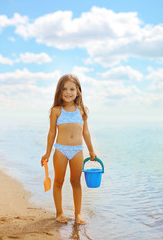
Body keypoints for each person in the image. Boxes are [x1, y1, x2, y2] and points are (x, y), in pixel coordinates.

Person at [41, 74, 97, 225]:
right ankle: (59, 213)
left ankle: (78, 214)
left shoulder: (82, 110)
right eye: (64, 89)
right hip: (60, 150)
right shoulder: (56, 111)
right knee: (58, 181)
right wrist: (47, 152)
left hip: (77, 150)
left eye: (72, 89)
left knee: (76, 182)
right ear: (59, 91)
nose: (68, 92)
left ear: (78, 91)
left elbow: (86, 132)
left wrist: (91, 150)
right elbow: (52, 132)